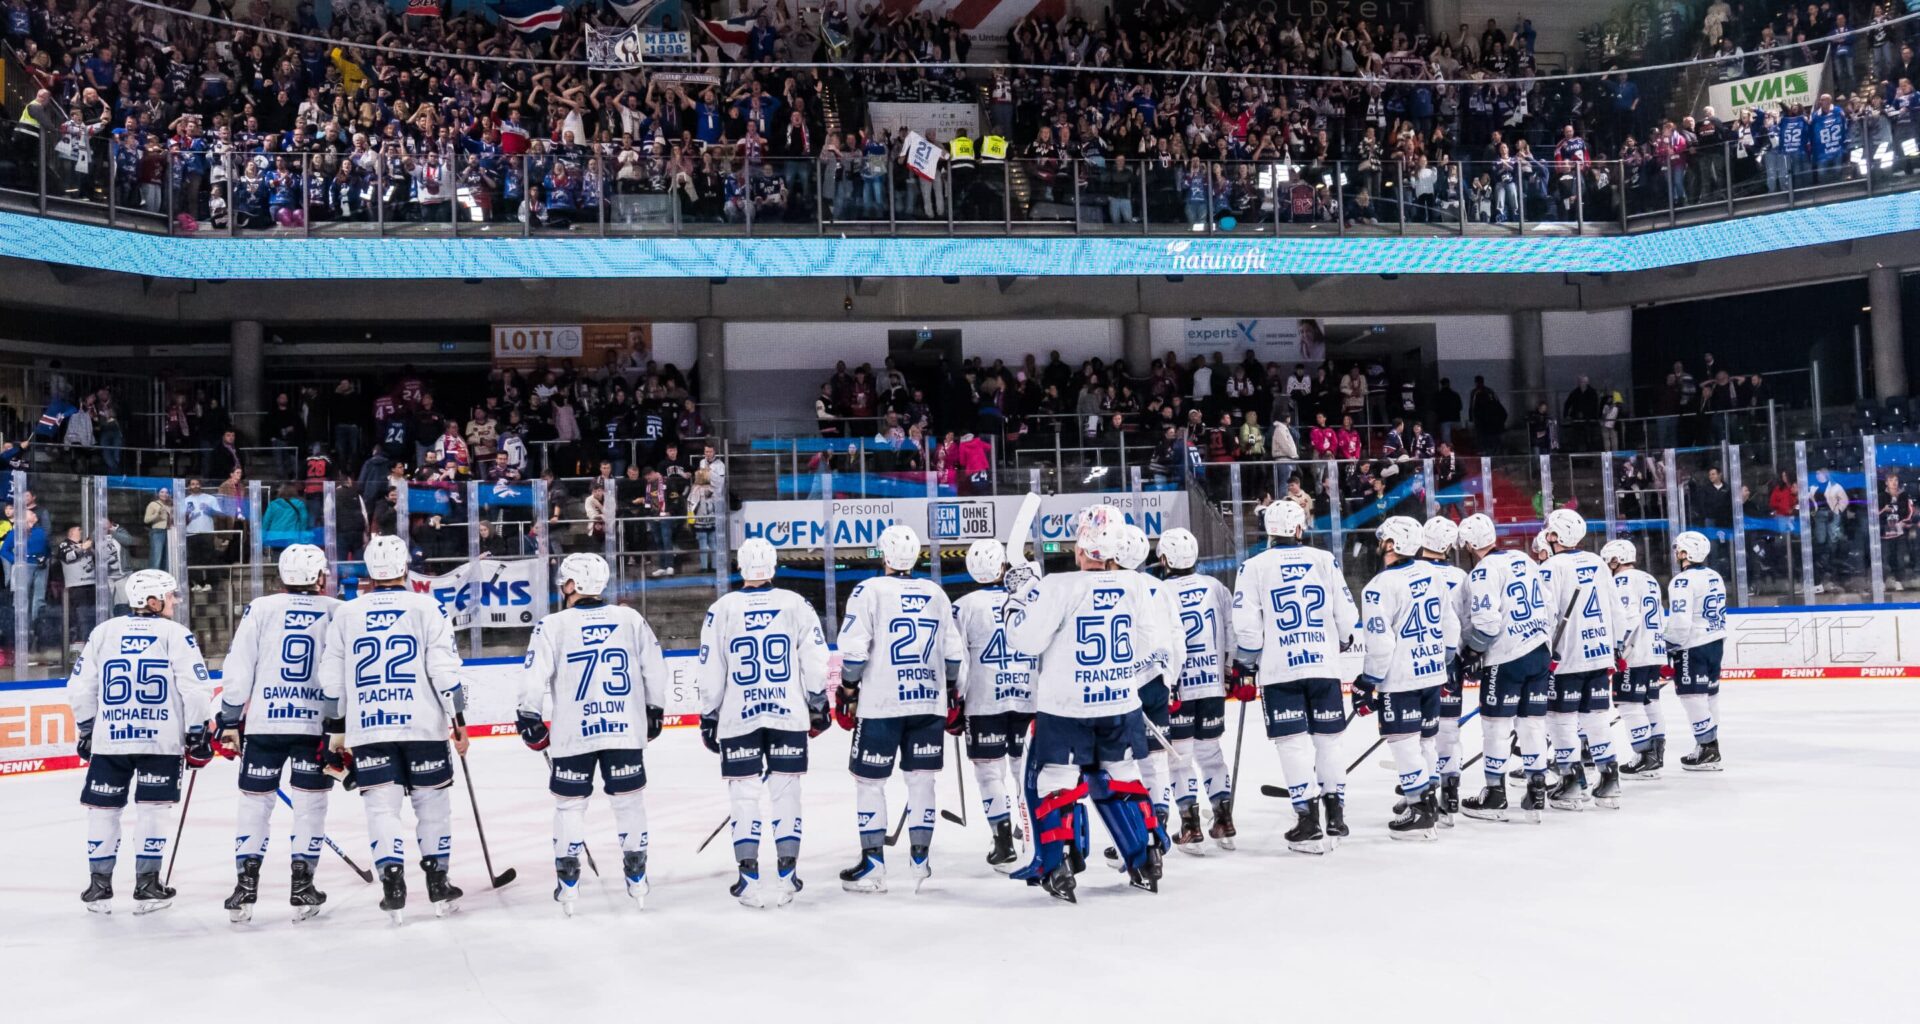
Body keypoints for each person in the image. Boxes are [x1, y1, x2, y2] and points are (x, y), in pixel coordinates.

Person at [1003, 504, 1175, 901]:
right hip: (1120, 704)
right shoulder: (1136, 585)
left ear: (1081, 546)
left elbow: (1025, 640)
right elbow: (1148, 645)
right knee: (1122, 776)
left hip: (1066, 708)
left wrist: (1018, 599)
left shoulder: (1059, 586)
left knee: (1054, 782)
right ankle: (1145, 858)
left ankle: (1058, 864)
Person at [317, 534, 469, 924]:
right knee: (433, 805)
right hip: (422, 725)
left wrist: (337, 728)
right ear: (404, 567)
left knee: (381, 808)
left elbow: (332, 678)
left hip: (370, 727)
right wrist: (458, 720)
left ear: (369, 569)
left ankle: (393, 885)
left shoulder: (347, 613)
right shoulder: (427, 606)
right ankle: (438, 881)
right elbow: (444, 669)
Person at [517, 553, 668, 915]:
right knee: (629, 803)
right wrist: (654, 708)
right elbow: (655, 668)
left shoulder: (552, 624)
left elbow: (533, 677)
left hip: (574, 732)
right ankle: (637, 876)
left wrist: (528, 715)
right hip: (623, 728)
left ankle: (568, 882)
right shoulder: (629, 618)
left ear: (572, 584)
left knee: (570, 806)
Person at [694, 538, 832, 907]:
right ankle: (787, 875)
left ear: (740, 566)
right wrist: (817, 701)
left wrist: (709, 714)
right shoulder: (795, 604)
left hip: (738, 716)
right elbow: (816, 660)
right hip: (788, 712)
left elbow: (710, 671)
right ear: (772, 566)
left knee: (744, 795)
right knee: (787, 792)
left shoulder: (722, 609)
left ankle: (749, 878)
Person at [68, 569, 214, 913]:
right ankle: (147, 885)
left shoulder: (104, 631)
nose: (174, 601)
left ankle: (99, 887)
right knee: (153, 810)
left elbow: (80, 689)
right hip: (160, 741)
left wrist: (87, 729)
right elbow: (196, 690)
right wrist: (197, 734)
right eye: (170, 595)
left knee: (103, 811)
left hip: (111, 739)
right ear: (152, 600)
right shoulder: (176, 634)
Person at [832, 524, 963, 894]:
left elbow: (855, 654)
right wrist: (950, 692)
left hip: (882, 704)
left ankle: (873, 863)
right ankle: (920, 860)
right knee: (922, 781)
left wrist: (848, 690)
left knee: (870, 783)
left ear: (884, 554)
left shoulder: (869, 590)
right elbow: (953, 656)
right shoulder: (935, 593)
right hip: (928, 701)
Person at [211, 544, 339, 922]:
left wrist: (230, 718)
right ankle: (302, 886)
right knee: (310, 806)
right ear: (318, 576)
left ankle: (245, 886)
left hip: (265, 724)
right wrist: (343, 723)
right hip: (315, 726)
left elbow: (239, 666)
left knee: (255, 804)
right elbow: (342, 672)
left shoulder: (261, 608)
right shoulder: (337, 610)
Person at [1230, 499, 1360, 854]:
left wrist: (1246, 663)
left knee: (1293, 744)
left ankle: (1307, 819)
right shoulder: (1324, 560)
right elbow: (1347, 615)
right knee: (1329, 741)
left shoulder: (1253, 566)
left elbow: (1247, 628)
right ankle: (1336, 815)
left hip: (1280, 669)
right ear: (1300, 528)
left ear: (1268, 530)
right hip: (1323, 666)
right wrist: (1342, 640)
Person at [1354, 516, 1457, 840]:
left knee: (1403, 742)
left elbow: (1381, 644)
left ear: (1391, 544)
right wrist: (1443, 661)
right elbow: (1450, 624)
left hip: (1401, 678)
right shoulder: (1432, 573)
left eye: (1382, 539)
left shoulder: (1378, 587)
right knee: (1425, 741)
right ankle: (1429, 800)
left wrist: (1367, 681)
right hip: (1432, 673)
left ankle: (1419, 809)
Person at [1456, 512, 1554, 823]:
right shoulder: (1524, 559)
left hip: (1506, 657)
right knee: (1532, 723)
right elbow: (1549, 605)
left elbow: (1487, 622)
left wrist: (1473, 651)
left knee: (1496, 726)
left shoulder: (1483, 571)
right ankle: (1537, 789)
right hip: (1539, 651)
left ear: (1470, 544)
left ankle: (1495, 794)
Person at [1152, 527, 1242, 853]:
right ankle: (1224, 820)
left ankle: (1190, 827)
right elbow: (1232, 630)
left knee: (1179, 759)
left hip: (1179, 689)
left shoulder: (1160, 591)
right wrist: (1231, 670)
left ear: (1164, 558)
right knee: (1211, 753)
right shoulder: (1215, 586)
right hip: (1212, 685)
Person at [952, 540, 1035, 871]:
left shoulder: (963, 607)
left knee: (989, 772)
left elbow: (957, 661)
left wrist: (956, 699)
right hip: (1029, 697)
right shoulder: (1028, 600)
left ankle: (1003, 844)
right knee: (1024, 769)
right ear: (1003, 566)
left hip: (984, 701)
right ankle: (1032, 834)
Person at [1537, 508, 1628, 810]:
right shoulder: (1598, 562)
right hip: (1599, 654)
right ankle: (1610, 781)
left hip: (1566, 658)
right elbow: (1616, 609)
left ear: (1556, 535)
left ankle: (1572, 783)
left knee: (1560, 719)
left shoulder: (1551, 566)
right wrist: (1616, 646)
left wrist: (1542, 650)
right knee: (1596, 718)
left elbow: (1547, 614)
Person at [1602, 540, 1672, 779]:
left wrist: (1617, 646)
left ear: (1615, 560)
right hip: (1653, 650)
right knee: (1650, 702)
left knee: (1628, 704)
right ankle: (1655, 755)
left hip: (1634, 652)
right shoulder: (1648, 578)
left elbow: (1628, 617)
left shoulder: (1621, 580)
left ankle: (1644, 755)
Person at [1418, 517, 1472, 822]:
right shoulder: (1460, 576)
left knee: (1418, 733)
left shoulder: (1409, 571)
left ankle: (1422, 794)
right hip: (1451, 661)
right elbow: (1466, 620)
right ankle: (1450, 795)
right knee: (1449, 729)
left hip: (1415, 662)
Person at [1664, 530, 1727, 771]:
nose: (1676, 554)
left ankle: (1708, 748)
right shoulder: (1715, 576)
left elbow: (1680, 620)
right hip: (1715, 642)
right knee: (1710, 696)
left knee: (1692, 697)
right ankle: (1707, 746)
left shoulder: (1682, 581)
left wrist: (1669, 644)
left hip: (1693, 645)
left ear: (1685, 553)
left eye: (1678, 550)